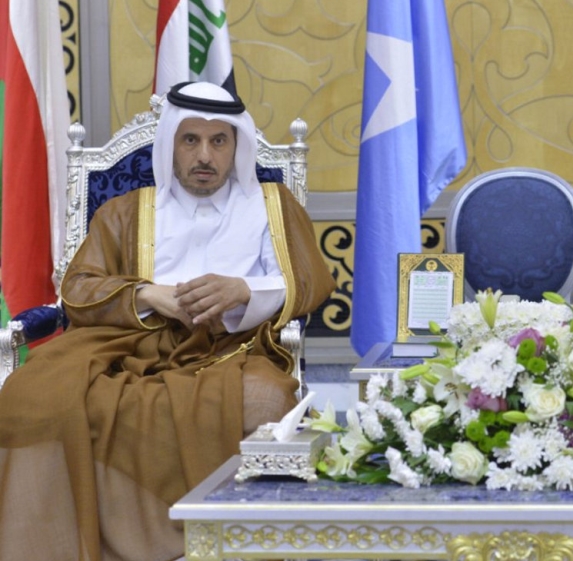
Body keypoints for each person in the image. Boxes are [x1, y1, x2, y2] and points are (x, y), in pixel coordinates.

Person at [0, 81, 336, 561]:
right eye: (190, 140)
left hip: (235, 348)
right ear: (170, 146)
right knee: (34, 396)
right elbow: (77, 289)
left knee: (264, 397)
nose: (204, 155)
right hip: (134, 345)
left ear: (236, 145)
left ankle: (245, 546)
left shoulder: (271, 206)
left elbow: (310, 281)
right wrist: (147, 294)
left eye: (218, 141)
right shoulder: (126, 211)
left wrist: (245, 291)